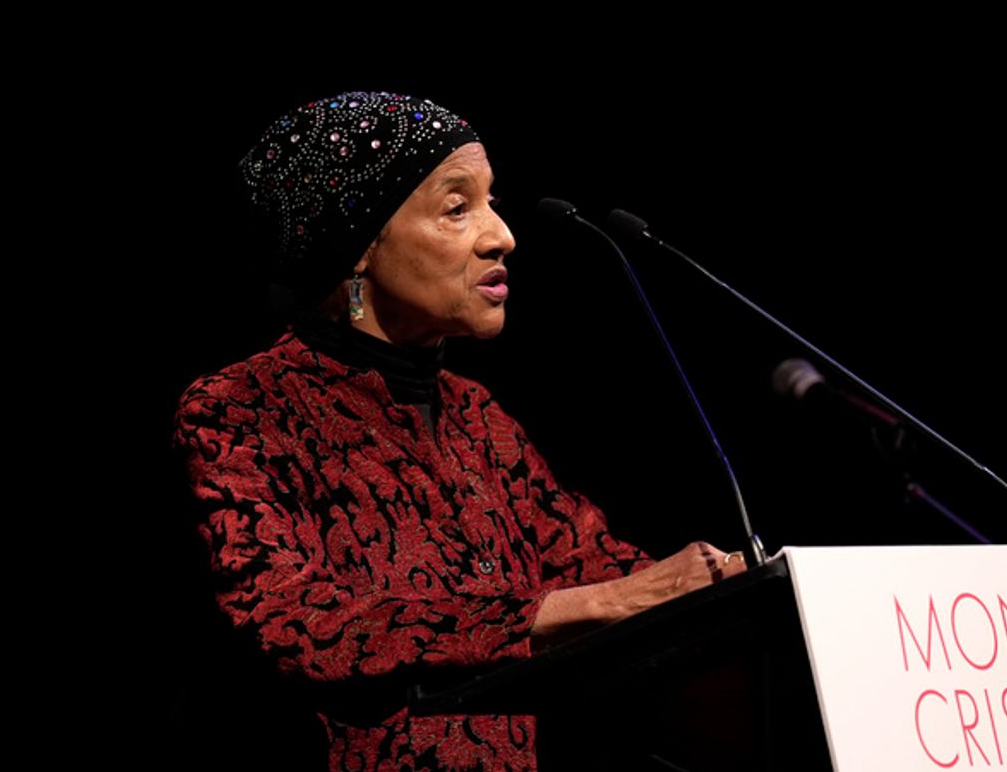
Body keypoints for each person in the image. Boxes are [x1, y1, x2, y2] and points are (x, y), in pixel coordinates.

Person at [171, 91, 746, 769]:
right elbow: (293, 620)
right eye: (457, 207)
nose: (502, 235)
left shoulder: (478, 415)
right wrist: (583, 606)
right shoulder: (241, 409)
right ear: (358, 244)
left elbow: (594, 564)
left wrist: (737, 583)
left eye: (491, 201)